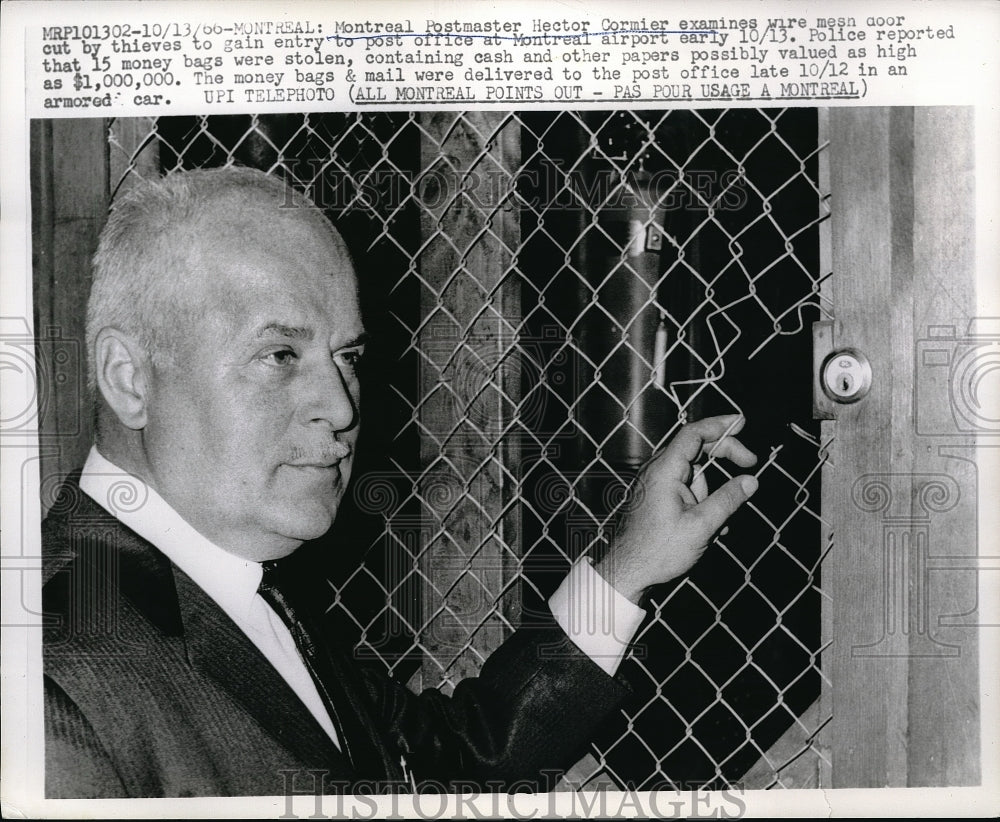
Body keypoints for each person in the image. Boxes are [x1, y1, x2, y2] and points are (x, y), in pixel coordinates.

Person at [41, 166, 759, 797]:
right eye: (281, 354)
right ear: (129, 379)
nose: (343, 406)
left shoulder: (240, 585)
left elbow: (449, 768)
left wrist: (626, 567)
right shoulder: (53, 679)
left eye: (347, 356)